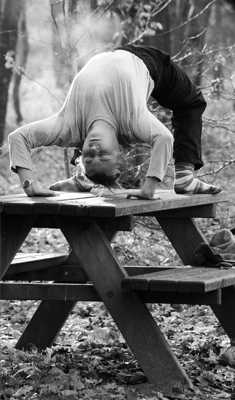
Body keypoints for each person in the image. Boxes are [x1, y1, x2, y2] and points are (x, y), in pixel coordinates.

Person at [8, 45, 221, 198]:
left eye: (89, 156)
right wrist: (150, 186)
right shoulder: (131, 123)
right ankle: (184, 178)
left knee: (81, 132)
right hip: (148, 63)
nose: (94, 149)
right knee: (191, 103)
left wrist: (29, 184)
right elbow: (164, 138)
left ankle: (83, 178)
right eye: (103, 155)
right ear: (119, 154)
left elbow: (17, 137)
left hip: (108, 54)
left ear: (82, 154)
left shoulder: (67, 127)